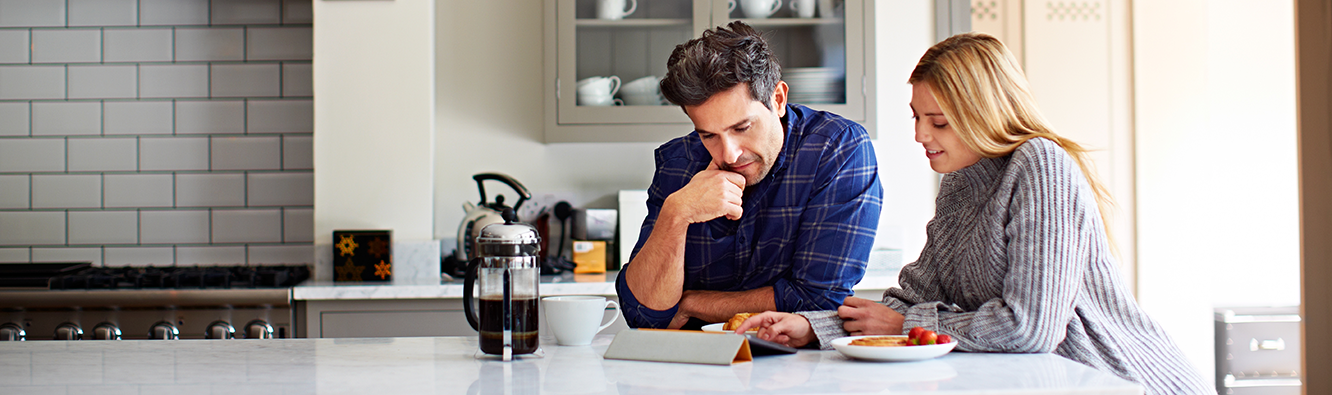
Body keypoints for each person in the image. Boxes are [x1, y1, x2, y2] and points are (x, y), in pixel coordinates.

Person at [736, 32, 1209, 394]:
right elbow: (913, 296)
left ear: (984, 111)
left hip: (1118, 377)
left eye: (937, 121)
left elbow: (1030, 328)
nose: (921, 135)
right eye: (916, 117)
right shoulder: (960, 182)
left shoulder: (1040, 164)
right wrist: (813, 327)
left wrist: (906, 326)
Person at [614, 21, 883, 329]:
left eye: (742, 128)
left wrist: (693, 303)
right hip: (693, 366)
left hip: (795, 366)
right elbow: (643, 314)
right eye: (708, 135)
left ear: (778, 100)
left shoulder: (836, 150)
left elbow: (819, 300)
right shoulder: (679, 162)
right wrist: (677, 214)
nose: (728, 154)